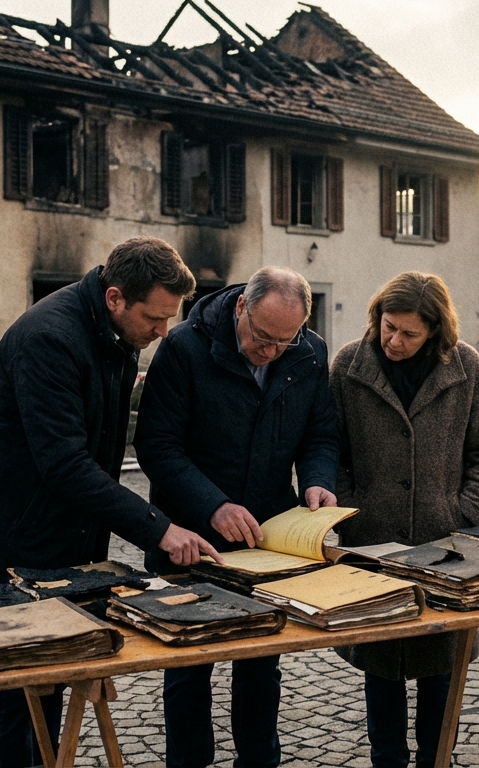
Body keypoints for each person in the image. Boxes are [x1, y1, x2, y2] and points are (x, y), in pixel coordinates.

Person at [0, 236, 222, 767]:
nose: (162, 333)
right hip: (3, 529)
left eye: (169, 319)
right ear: (115, 297)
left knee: (54, 670)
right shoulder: (51, 338)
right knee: (22, 679)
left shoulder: (113, 327)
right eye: (155, 319)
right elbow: (65, 463)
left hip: (56, 530)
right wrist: (160, 529)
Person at [134, 265, 339, 768]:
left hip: (267, 537)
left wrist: (317, 479)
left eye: (283, 343)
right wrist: (212, 505)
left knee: (261, 661)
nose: (270, 352)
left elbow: (321, 435)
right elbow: (156, 446)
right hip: (189, 534)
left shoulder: (309, 354)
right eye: (262, 338)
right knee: (189, 663)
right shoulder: (183, 348)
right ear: (242, 307)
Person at [330, 271, 479, 768]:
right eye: (389, 327)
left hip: (446, 549)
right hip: (374, 549)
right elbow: (329, 451)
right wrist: (351, 512)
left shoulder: (467, 368)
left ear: (434, 330)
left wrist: (463, 516)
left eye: (409, 333)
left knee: (441, 667)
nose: (395, 340)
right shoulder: (349, 365)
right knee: (381, 668)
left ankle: (438, 759)